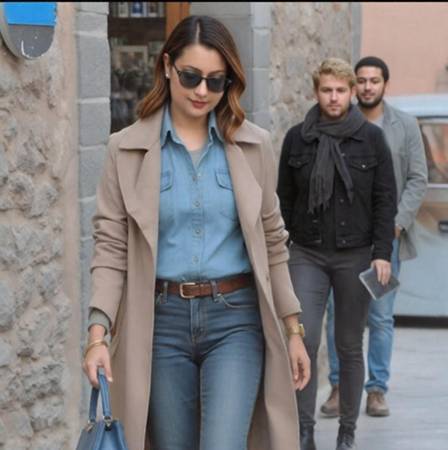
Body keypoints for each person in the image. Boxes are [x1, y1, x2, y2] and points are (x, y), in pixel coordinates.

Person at [82, 15, 310, 450]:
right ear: (168, 66)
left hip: (236, 320)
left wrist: (293, 330)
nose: (202, 91)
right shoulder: (126, 150)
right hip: (161, 323)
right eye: (191, 76)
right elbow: (110, 248)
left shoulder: (253, 146)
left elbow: (273, 242)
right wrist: (97, 335)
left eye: (216, 81)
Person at [277, 58, 397, 450]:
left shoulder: (371, 139)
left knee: (348, 344)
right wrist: (281, 250)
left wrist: (382, 253)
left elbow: (385, 200)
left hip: (355, 254)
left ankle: (347, 432)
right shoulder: (297, 138)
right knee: (305, 338)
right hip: (306, 253)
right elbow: (283, 199)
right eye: (327, 90)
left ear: (351, 93)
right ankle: (305, 431)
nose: (334, 97)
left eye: (341, 90)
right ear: (316, 92)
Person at [320, 56, 428, 418]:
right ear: (354, 85)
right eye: (362, 81)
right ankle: (338, 386)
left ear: (385, 84)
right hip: (342, 239)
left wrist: (395, 225)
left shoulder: (405, 125)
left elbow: (418, 179)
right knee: (338, 312)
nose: (368, 87)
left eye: (374, 80)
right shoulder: (338, 122)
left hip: (386, 239)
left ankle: (377, 389)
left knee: (380, 316)